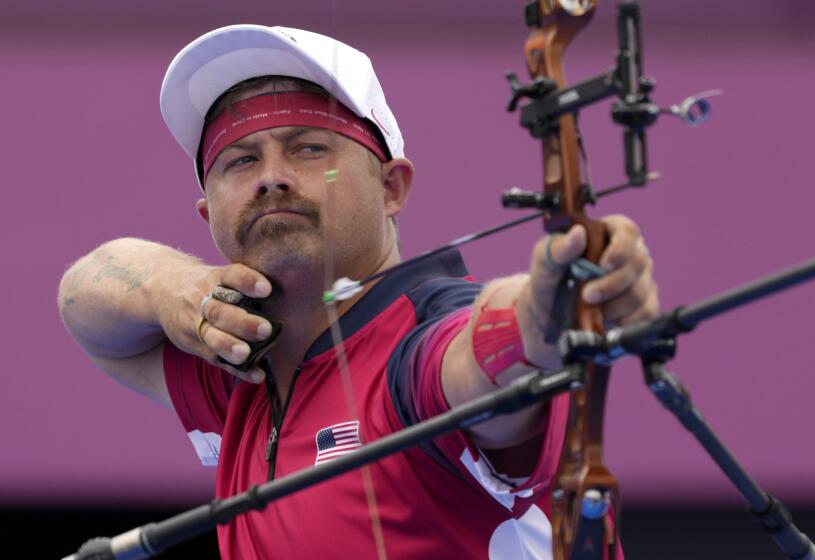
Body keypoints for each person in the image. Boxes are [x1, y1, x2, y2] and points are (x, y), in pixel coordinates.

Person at [58, 24, 658, 559]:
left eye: (308, 148)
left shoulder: (419, 348)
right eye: (239, 160)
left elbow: (487, 359)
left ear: (392, 188)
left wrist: (549, 307)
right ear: (207, 212)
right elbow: (83, 299)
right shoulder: (237, 365)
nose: (271, 176)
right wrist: (176, 286)